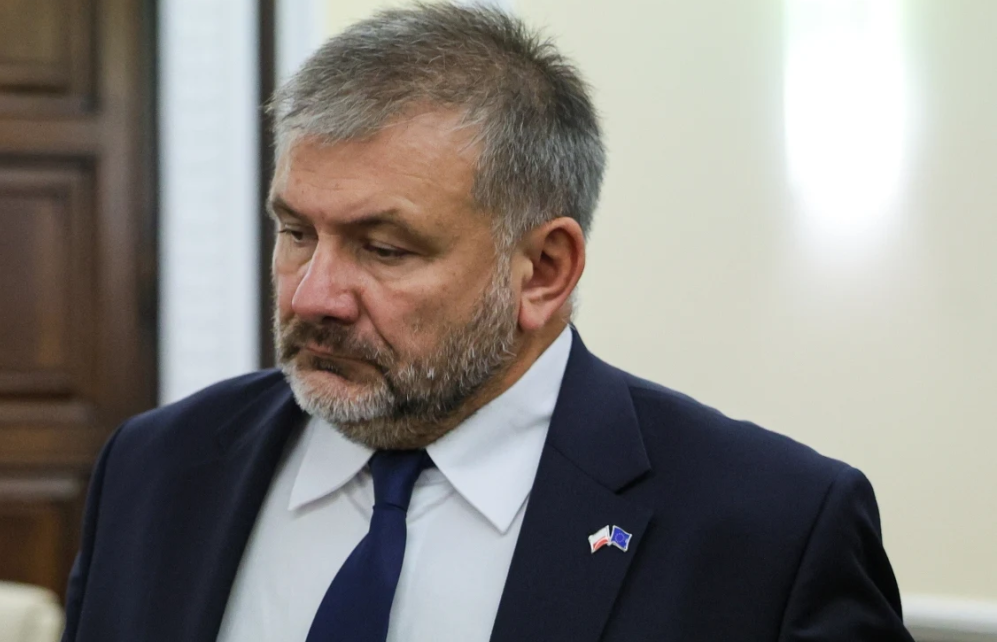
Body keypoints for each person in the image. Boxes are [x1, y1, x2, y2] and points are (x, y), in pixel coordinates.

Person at [60, 4, 913, 641]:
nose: (313, 295)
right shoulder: (158, 469)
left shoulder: (766, 530)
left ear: (543, 270)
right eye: (296, 233)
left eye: (384, 248)